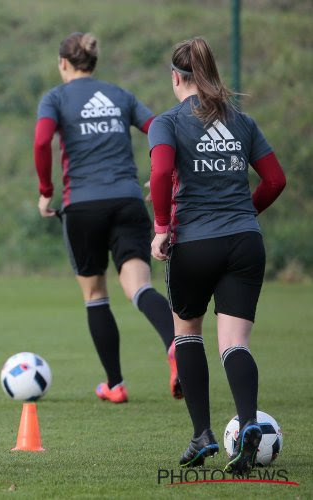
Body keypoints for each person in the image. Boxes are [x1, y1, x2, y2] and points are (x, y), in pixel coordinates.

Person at [149, 37, 285, 473]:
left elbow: (161, 172)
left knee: (188, 333)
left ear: (176, 78)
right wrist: (246, 212)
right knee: (235, 343)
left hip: (194, 242)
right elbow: (276, 180)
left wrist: (162, 227)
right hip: (245, 242)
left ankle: (202, 434)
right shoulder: (241, 122)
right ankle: (248, 423)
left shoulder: (166, 123)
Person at [33, 32, 178, 404]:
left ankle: (115, 384)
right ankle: (177, 346)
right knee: (139, 287)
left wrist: (46, 190)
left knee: (96, 294)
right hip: (127, 201)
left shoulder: (56, 97)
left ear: (63, 63)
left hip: (82, 205)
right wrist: (168, 173)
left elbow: (41, 141)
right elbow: (160, 128)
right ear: (93, 63)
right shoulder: (119, 95)